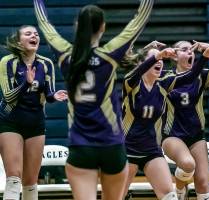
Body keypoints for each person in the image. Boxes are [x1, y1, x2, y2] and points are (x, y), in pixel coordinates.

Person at [33, 0, 154, 199]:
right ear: (103, 27)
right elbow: (137, 22)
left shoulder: (65, 55)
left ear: (77, 26)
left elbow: (44, 23)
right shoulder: (109, 55)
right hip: (111, 145)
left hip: (81, 146)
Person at [122, 42, 209, 200]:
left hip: (151, 151)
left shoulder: (163, 84)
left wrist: (206, 55)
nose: (160, 61)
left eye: (161, 59)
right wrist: (158, 55)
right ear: (143, 63)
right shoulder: (131, 84)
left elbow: (190, 75)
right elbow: (137, 71)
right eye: (155, 58)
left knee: (170, 196)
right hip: (127, 150)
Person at [0, 25, 67, 200]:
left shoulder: (46, 64)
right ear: (18, 40)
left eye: (36, 34)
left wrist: (54, 96)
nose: (34, 36)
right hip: (10, 121)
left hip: (35, 122)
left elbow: (49, 93)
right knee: (14, 178)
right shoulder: (7, 62)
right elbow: (8, 96)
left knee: (30, 182)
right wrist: (26, 84)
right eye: (28, 34)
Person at [161, 40, 209, 200]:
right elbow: (188, 76)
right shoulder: (165, 77)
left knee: (203, 183)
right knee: (188, 164)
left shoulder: (201, 75)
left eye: (192, 49)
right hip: (172, 136)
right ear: (175, 56)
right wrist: (205, 56)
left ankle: (182, 185)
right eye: (184, 49)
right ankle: (179, 186)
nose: (190, 52)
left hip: (196, 136)